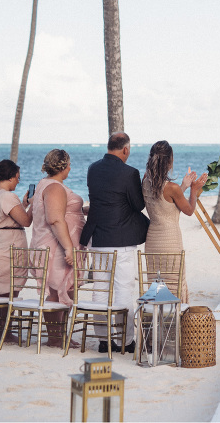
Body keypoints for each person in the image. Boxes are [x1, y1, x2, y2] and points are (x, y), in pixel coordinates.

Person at [80, 132, 149, 354]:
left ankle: (103, 340)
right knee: (123, 290)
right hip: (121, 241)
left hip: (98, 238)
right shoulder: (130, 173)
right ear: (125, 150)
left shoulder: (93, 169)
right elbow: (138, 205)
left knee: (100, 290)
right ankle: (126, 341)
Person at [30, 149, 87, 347]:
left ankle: (60, 335)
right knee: (56, 290)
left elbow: (65, 210)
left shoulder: (49, 185)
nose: (70, 168)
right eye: (69, 164)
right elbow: (55, 219)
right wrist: (69, 248)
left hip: (59, 245)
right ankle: (55, 338)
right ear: (64, 167)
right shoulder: (54, 187)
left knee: (65, 289)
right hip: (56, 247)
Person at [142, 140, 208, 302]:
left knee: (156, 285)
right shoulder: (172, 188)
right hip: (170, 241)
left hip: (152, 242)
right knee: (174, 284)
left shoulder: (145, 181)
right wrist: (193, 189)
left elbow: (165, 203)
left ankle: (155, 322)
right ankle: (174, 323)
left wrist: (183, 187)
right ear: (169, 162)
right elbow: (189, 210)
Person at [0, 159, 33, 342]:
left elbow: (12, 216)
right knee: (9, 289)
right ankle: (3, 331)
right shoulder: (7, 196)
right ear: (11, 177)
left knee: (1, 288)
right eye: (18, 178)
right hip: (8, 245)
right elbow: (26, 221)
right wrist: (33, 205)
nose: (18, 182)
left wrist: (24, 204)